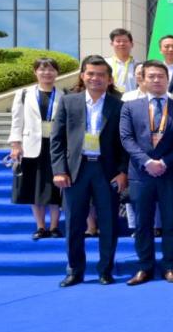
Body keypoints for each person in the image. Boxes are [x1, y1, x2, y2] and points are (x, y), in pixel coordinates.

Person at [50, 56, 128, 287]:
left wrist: (123, 172)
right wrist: (59, 170)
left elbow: (125, 142)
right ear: (82, 76)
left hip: (107, 171)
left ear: (109, 79)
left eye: (101, 74)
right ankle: (75, 271)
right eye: (91, 73)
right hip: (76, 171)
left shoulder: (119, 105)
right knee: (74, 223)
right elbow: (57, 140)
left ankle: (105, 270)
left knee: (109, 223)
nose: (95, 78)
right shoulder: (68, 102)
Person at [119, 61, 173, 285]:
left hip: (169, 173)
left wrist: (164, 162)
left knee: (170, 222)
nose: (157, 80)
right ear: (143, 79)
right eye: (152, 76)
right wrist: (147, 162)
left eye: (161, 76)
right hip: (141, 174)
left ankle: (170, 266)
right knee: (142, 223)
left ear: (168, 79)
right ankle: (144, 267)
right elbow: (126, 139)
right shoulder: (130, 107)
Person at [8, 57, 63, 239]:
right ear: (35, 72)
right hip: (31, 147)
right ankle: (40, 227)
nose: (47, 73)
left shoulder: (64, 94)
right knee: (34, 187)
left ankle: (54, 227)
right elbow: (17, 120)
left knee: (55, 188)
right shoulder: (24, 94)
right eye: (42, 69)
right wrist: (15, 144)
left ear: (57, 73)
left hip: (56, 147)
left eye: (51, 69)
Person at [108, 27, 138, 92]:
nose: (122, 44)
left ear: (132, 44)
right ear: (112, 44)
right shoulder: (106, 64)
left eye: (125, 41)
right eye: (118, 41)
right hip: (110, 97)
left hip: (133, 98)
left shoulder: (138, 65)